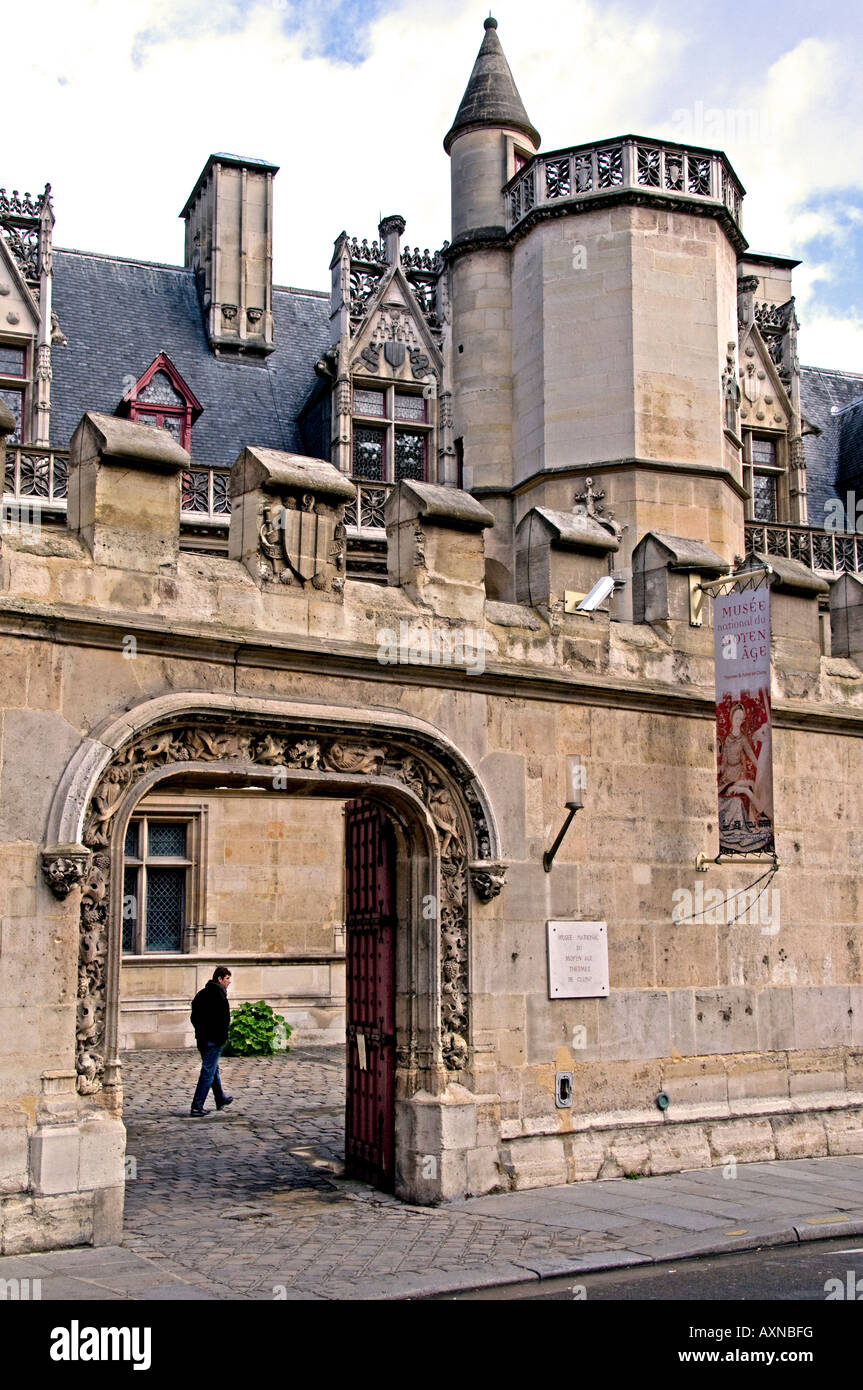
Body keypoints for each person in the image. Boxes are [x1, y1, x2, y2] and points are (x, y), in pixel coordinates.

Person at [189, 966, 234, 1116]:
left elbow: (194, 1017)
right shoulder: (219, 996)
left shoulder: (201, 994)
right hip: (213, 1040)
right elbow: (223, 1020)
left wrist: (200, 1031)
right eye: (227, 978)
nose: (229, 982)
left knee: (212, 1069)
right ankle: (197, 1105)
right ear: (219, 979)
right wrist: (220, 1037)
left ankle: (220, 1098)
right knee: (208, 1071)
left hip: (202, 1038)